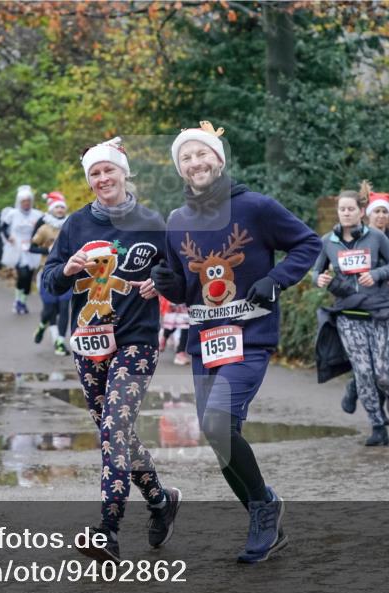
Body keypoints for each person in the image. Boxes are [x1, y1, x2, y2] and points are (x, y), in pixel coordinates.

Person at [150, 121, 322, 563]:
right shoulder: (177, 220)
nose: (194, 163)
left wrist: (274, 279)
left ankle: (263, 507)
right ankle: (264, 509)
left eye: (201, 154)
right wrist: (167, 283)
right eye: (185, 158)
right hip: (206, 341)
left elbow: (308, 243)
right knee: (220, 436)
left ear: (219, 159)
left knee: (216, 424)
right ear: (180, 169)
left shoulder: (256, 207)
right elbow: (185, 288)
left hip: (250, 336)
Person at [43, 136, 180, 563]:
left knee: (114, 431)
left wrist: (160, 282)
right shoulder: (76, 226)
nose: (103, 178)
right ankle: (160, 499)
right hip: (88, 343)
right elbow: (49, 284)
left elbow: (179, 275)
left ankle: (108, 529)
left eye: (109, 170)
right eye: (95, 174)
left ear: (124, 173)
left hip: (137, 341)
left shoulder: (153, 224)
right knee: (113, 431)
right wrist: (66, 268)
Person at [313, 185, 389, 447]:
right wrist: (319, 278)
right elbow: (315, 271)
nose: (345, 213)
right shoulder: (327, 242)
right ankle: (377, 426)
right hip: (348, 315)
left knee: (383, 374)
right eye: (341, 209)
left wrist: (376, 274)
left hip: (379, 313)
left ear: (361, 211)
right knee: (363, 372)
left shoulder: (376, 238)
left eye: (350, 209)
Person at [340, 189, 389, 420]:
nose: (381, 216)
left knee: (384, 358)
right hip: (362, 304)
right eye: (377, 211)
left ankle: (375, 394)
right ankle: (366, 400)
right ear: (368, 215)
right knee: (366, 361)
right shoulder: (357, 238)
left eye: (385, 212)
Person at [31, 191, 72, 355]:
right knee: (49, 310)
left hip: (65, 272)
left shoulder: (70, 226)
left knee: (64, 307)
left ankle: (60, 341)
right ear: (51, 209)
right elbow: (31, 247)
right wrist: (47, 249)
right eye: (57, 207)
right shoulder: (44, 228)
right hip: (47, 272)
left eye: (62, 207)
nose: (60, 210)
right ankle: (42, 326)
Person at [1, 185, 43, 314]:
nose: (26, 203)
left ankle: (22, 301)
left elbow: (43, 230)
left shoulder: (38, 215)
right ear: (19, 202)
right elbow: (3, 227)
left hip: (31, 249)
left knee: (28, 277)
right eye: (23, 201)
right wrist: (9, 237)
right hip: (17, 249)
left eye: (28, 201)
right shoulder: (12, 214)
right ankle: (17, 300)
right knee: (22, 274)